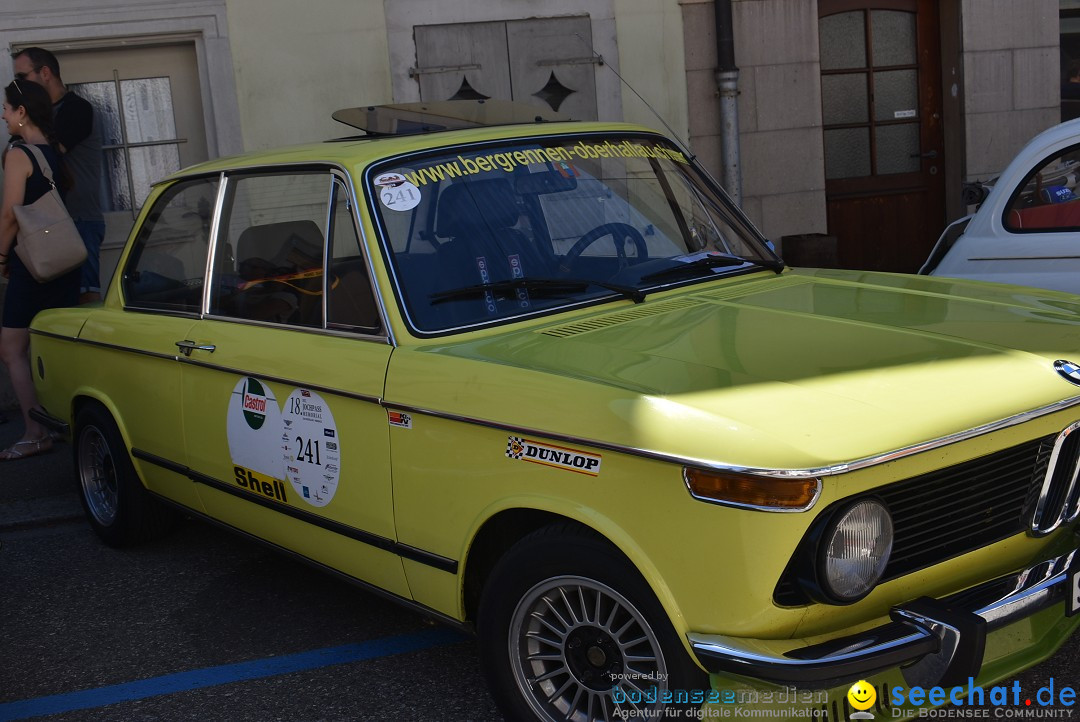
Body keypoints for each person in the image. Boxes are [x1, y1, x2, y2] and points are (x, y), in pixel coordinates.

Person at [0, 79, 79, 460]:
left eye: (6, 107)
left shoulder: (18, 154)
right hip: (64, 260)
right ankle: (63, 423)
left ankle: (35, 432)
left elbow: (10, 215)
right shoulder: (55, 150)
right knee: (55, 345)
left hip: (32, 263)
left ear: (21, 112)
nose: (3, 114)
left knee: (12, 348)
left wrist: (0, 258)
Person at [12, 48, 104, 303]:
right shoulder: (34, 117)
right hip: (46, 222)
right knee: (54, 301)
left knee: (84, 297)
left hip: (78, 217)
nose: (19, 86)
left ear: (45, 73)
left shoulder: (77, 109)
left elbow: (49, 153)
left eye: (22, 77)